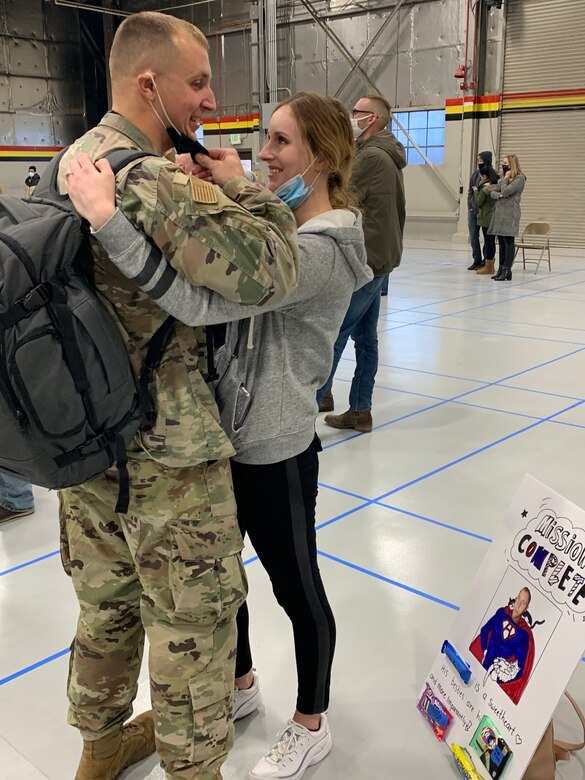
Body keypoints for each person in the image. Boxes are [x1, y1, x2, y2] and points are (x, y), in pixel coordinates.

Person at [66, 91, 371, 780]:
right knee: (219, 583)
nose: (264, 153)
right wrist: (208, 199)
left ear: (320, 159)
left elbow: (199, 296)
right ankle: (239, 687)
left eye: (281, 142)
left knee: (297, 590)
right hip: (217, 441)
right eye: (266, 138)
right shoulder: (275, 227)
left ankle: (310, 722)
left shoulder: (324, 249)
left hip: (275, 449)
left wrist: (111, 219)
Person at [56, 11, 299, 780]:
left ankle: (100, 749)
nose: (208, 97)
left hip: (87, 439)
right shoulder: (153, 178)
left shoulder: (78, 158)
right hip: (169, 450)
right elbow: (272, 273)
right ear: (148, 83)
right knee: (191, 622)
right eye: (196, 82)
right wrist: (243, 189)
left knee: (106, 606)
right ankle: (196, 772)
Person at [317, 93, 406, 432]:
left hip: (368, 259)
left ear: (371, 120)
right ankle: (359, 409)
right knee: (366, 338)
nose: (351, 116)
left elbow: (337, 196)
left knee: (336, 331)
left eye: (356, 111)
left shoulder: (370, 157)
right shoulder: (384, 154)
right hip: (381, 257)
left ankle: (314, 399)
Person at [469, 587, 535, 704]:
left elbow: (520, 667)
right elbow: (485, 630)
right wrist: (485, 651)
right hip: (482, 665)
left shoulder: (523, 635)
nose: (519, 604)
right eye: (518, 598)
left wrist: (506, 674)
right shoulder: (502, 613)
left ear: (526, 608)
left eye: (523, 602)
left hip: (497, 679)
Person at [489, 154, 527, 282]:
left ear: (512, 164)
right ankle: (501, 268)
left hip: (510, 213)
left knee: (508, 242)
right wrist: (499, 195)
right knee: (501, 242)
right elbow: (493, 193)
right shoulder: (504, 179)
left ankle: (507, 269)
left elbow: (505, 192)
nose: (503, 165)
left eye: (505, 163)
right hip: (500, 214)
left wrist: (505, 179)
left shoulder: (520, 178)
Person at [467, 151, 494, 271]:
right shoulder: (475, 174)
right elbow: (470, 191)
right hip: (474, 210)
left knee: (487, 238)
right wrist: (470, 206)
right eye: (477, 160)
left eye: (481, 160)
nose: (478, 162)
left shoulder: (492, 174)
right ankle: (476, 259)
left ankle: (486, 260)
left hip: (485, 211)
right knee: (473, 235)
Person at [474, 162, 499, 277]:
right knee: (492, 242)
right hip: (495, 216)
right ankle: (491, 265)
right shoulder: (496, 185)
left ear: (484, 176)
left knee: (488, 242)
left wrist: (476, 192)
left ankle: (489, 266)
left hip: (486, 218)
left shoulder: (484, 188)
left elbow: (479, 203)